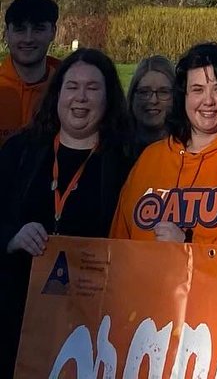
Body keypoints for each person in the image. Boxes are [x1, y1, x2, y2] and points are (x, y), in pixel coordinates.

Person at [0, 49, 133, 377]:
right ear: (57, 94)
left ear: (108, 97)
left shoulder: (126, 159)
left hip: (94, 320)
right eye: (72, 86)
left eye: (93, 88)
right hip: (16, 316)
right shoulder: (20, 151)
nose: (81, 98)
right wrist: (11, 237)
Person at [111, 42, 217, 247]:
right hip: (148, 278)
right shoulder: (150, 158)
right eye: (197, 89)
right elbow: (117, 243)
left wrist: (192, 244)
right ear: (183, 96)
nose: (208, 101)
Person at [0, 0, 61, 146]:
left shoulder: (69, 89)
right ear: (7, 33)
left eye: (38, 29)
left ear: (53, 32)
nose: (28, 39)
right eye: (20, 29)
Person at [127, 54, 175, 152]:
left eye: (163, 92)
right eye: (144, 92)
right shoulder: (113, 148)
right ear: (132, 96)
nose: (153, 100)